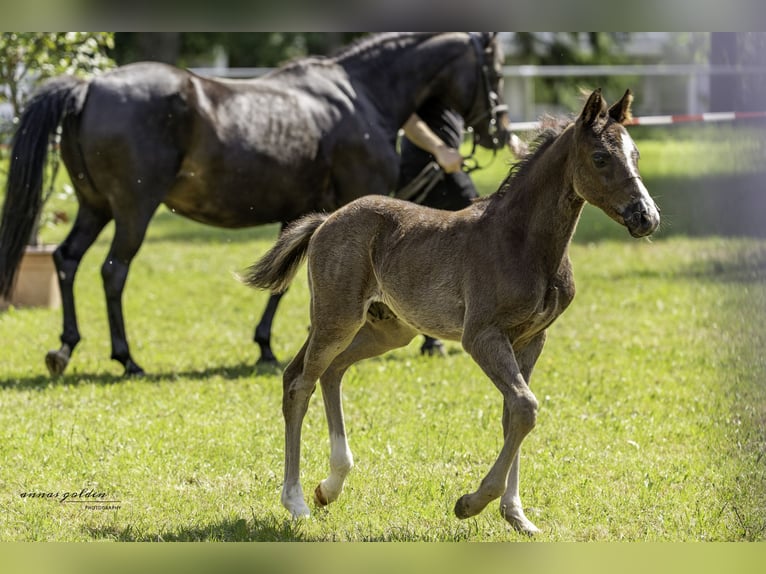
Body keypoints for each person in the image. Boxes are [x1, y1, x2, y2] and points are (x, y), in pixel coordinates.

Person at [396, 98, 526, 355]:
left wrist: (509, 139)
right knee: (418, 255)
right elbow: (406, 117)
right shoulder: (427, 72)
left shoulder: (464, 79)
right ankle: (430, 336)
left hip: (450, 169)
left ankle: (491, 320)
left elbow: (486, 110)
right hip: (420, 172)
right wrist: (440, 149)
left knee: (484, 236)